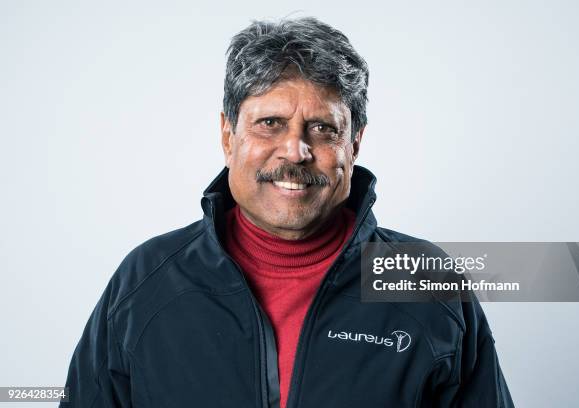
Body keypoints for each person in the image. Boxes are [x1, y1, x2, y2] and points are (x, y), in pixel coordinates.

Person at [61, 17, 514, 407]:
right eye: (270, 123)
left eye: (322, 128)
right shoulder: (147, 282)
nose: (295, 151)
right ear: (227, 135)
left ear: (353, 145)